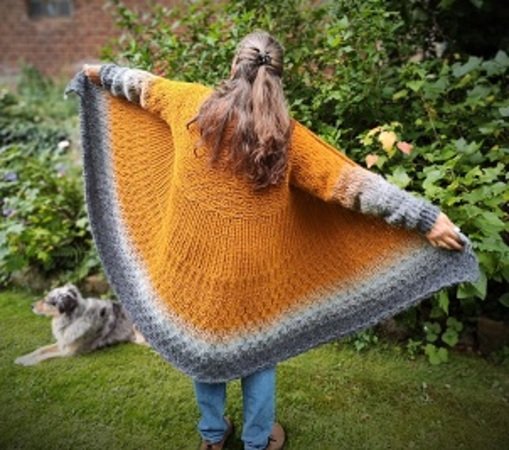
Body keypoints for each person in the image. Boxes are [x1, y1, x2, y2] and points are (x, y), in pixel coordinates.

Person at [80, 31, 467, 450]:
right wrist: (426, 219)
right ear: (278, 78)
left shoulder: (187, 102)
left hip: (192, 266)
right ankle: (257, 440)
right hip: (254, 275)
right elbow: (355, 186)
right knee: (259, 355)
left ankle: (213, 436)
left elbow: (138, 84)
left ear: (234, 66)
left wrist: (97, 72)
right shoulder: (287, 137)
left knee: (200, 344)